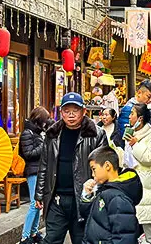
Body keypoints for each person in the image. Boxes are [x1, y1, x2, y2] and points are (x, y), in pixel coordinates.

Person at [36, 92, 108, 244]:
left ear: (83, 111)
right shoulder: (52, 134)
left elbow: (104, 168)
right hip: (57, 200)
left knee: (83, 240)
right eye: (67, 111)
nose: (71, 115)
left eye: (75, 110)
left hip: (84, 200)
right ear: (60, 112)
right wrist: (39, 194)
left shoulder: (96, 134)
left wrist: (99, 194)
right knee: (51, 240)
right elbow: (44, 165)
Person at [79, 146, 143, 244]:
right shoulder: (105, 190)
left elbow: (124, 237)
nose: (92, 174)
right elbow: (93, 216)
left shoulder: (117, 198)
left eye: (94, 169)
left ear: (107, 166)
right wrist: (87, 196)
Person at [126, 103, 151, 244]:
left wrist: (135, 145)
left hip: (147, 187)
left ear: (140, 118)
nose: (129, 117)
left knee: (150, 229)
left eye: (132, 114)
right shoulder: (132, 132)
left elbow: (150, 157)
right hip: (134, 184)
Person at [19, 106, 52, 244]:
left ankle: (33, 233)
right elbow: (28, 154)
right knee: (34, 203)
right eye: (45, 120)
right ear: (39, 120)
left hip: (40, 170)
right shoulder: (28, 133)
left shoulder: (38, 132)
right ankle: (25, 237)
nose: (46, 123)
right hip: (33, 171)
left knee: (39, 204)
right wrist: (43, 145)